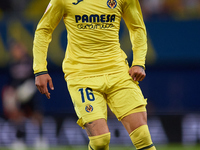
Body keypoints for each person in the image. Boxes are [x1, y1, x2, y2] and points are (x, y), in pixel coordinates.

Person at [33, 0, 156, 150]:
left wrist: (138, 62)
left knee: (142, 136)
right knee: (100, 141)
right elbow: (44, 30)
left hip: (117, 72)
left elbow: (137, 28)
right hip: (81, 75)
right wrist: (40, 69)